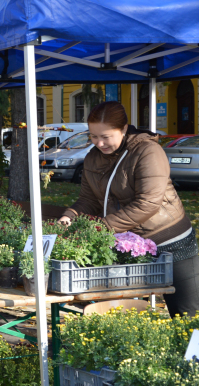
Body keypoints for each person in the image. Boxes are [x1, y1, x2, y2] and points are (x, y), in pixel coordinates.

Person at [60, 101, 199, 317]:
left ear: (124, 129)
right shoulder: (92, 158)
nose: (99, 143)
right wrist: (69, 216)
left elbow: (148, 203)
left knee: (187, 314)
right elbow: (88, 200)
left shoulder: (148, 151)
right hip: (130, 245)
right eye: (94, 136)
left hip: (171, 242)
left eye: (106, 136)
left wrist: (102, 227)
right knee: (124, 313)